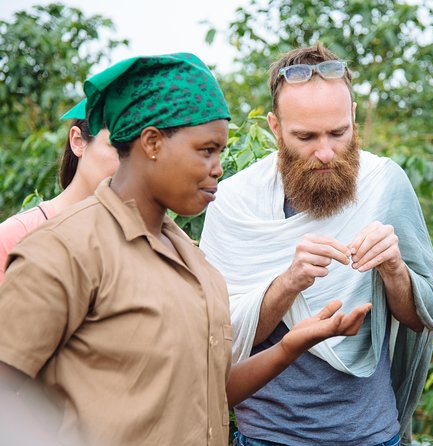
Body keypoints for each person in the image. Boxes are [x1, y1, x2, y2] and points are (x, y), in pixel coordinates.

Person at [0, 52, 371, 446]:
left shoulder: (193, 260)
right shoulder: (67, 249)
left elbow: (207, 393)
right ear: (153, 143)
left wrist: (294, 343)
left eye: (222, 152)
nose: (218, 168)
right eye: (206, 150)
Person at [200, 43, 433, 445]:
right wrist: (289, 283)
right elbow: (220, 335)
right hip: (267, 437)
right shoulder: (235, 202)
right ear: (275, 128)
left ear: (353, 117)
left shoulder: (384, 184)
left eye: (338, 132)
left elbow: (422, 317)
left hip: (370, 435)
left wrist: (394, 269)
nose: (326, 152)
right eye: (305, 136)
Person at [0, 113, 118, 283]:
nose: (131, 164)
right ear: (78, 141)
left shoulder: (146, 239)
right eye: (118, 147)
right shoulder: (15, 236)